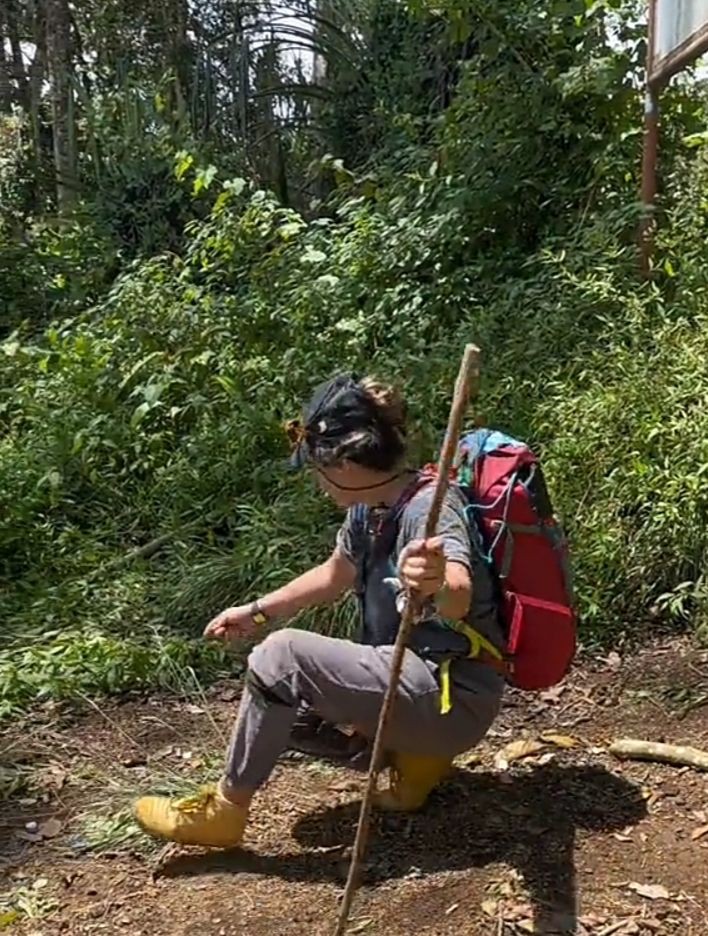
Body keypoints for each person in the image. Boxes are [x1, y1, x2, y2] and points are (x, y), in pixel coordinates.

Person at [134, 373, 506, 848]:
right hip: (417, 686)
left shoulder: (429, 507)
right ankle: (415, 764)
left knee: (282, 659)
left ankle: (226, 813)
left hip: (453, 696)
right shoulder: (370, 508)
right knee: (276, 700)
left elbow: (459, 591)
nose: (316, 480)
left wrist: (435, 580)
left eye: (316, 467)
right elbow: (335, 574)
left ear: (347, 464)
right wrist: (256, 611)